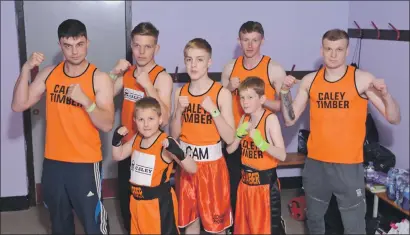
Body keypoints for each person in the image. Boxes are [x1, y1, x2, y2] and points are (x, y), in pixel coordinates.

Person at [280, 29, 401, 234]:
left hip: (348, 165)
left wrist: (387, 95)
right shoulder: (310, 81)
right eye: (328, 49)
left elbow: (394, 118)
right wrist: (284, 92)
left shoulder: (361, 79)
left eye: (339, 49)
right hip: (316, 163)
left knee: (354, 225)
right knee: (315, 219)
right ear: (322, 50)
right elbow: (290, 119)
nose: (333, 54)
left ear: (347, 51)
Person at [11, 19, 114, 234]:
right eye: (68, 45)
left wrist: (87, 102)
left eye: (79, 44)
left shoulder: (99, 78)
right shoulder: (49, 73)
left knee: (94, 223)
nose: (74, 51)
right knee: (59, 223)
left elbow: (107, 124)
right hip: (54, 164)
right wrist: (25, 70)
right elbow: (19, 104)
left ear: (88, 43)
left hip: (85, 164)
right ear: (60, 45)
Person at [220, 20, 287, 226]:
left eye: (255, 40)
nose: (250, 45)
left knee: (263, 197)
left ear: (262, 41)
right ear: (239, 41)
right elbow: (219, 99)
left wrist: (263, 99)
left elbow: (285, 109)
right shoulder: (230, 67)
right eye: (246, 40)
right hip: (238, 132)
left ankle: (272, 224)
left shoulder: (273, 68)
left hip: (262, 132)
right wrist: (229, 88)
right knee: (235, 189)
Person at [108, 22, 173, 233]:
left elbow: (164, 118)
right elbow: (103, 96)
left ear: (157, 48)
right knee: (127, 205)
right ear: (131, 46)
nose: (142, 52)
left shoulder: (162, 77)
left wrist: (147, 86)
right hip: (127, 147)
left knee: (149, 208)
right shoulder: (128, 73)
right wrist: (113, 73)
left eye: (148, 46)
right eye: (137, 46)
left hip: (150, 152)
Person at [170, 38, 235, 234]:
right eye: (189, 59)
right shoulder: (180, 93)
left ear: (209, 62)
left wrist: (214, 111)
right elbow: (174, 135)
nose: (193, 65)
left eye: (199, 59)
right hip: (187, 165)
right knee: (190, 222)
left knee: (216, 225)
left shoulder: (221, 93)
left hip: (212, 169)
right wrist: (178, 112)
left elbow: (231, 138)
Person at [111, 97, 197, 235]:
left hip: (158, 205)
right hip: (136, 203)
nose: (146, 124)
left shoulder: (165, 143)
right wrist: (116, 141)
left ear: (160, 119)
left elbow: (193, 168)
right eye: (141, 120)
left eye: (151, 119)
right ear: (134, 121)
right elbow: (118, 155)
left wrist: (180, 153)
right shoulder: (137, 138)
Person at [226, 76, 287, 235]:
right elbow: (230, 150)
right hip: (245, 185)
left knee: (264, 230)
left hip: (264, 187)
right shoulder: (245, 119)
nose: (245, 102)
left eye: (250, 97)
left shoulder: (270, 119)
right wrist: (238, 137)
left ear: (262, 99)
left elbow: (282, 155)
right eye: (242, 97)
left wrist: (262, 144)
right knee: (244, 229)